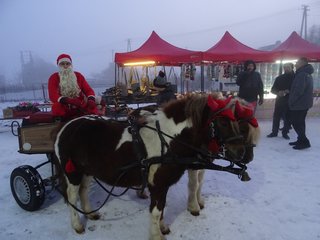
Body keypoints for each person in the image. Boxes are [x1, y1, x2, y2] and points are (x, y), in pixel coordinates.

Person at [48, 53, 98, 120]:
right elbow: (52, 95)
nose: (65, 66)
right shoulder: (54, 77)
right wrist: (68, 100)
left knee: (92, 107)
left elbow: (88, 90)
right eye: (62, 64)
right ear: (58, 65)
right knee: (57, 107)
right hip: (64, 107)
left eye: (67, 63)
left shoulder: (78, 76)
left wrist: (91, 99)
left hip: (80, 105)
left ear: (71, 65)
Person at [288, 57, 314, 150]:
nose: (295, 64)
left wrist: (291, 101)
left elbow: (298, 91)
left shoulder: (302, 74)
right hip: (304, 104)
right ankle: (300, 140)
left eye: (297, 62)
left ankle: (304, 142)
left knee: (296, 123)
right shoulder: (306, 73)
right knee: (300, 123)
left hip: (299, 104)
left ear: (303, 63)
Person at [267, 63, 294, 139]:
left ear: (292, 68)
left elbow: (298, 90)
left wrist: (289, 91)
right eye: (285, 67)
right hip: (280, 100)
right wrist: (278, 92)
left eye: (288, 67)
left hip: (290, 101)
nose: (286, 69)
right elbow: (272, 90)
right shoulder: (279, 78)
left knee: (287, 117)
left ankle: (285, 133)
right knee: (276, 116)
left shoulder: (296, 78)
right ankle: (274, 132)